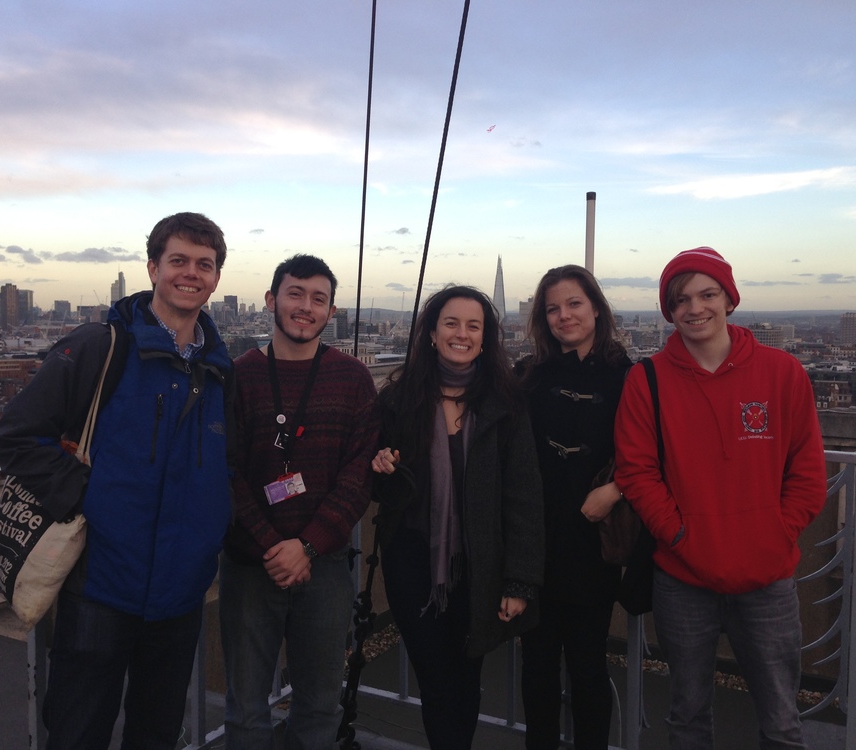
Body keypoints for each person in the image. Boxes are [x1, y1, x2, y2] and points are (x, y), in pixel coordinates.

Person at [0, 212, 234, 749]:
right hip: (100, 587)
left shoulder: (219, 369)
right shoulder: (102, 347)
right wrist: (86, 499)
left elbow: (226, 467)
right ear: (153, 267)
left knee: (156, 734)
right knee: (78, 733)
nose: (190, 274)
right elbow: (14, 436)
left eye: (204, 264)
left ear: (216, 278)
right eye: (178, 261)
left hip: (179, 594)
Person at [614, 247, 827, 749]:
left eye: (707, 294)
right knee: (687, 715)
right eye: (681, 299)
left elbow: (807, 472)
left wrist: (776, 533)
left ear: (729, 299)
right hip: (683, 577)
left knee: (781, 720)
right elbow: (637, 470)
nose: (695, 308)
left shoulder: (783, 373)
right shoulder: (647, 380)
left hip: (767, 579)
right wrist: (678, 533)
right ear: (669, 311)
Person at [372, 285, 545, 750]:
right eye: (451, 323)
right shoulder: (398, 400)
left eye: (474, 326)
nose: (462, 334)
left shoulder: (505, 404)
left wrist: (519, 581)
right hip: (413, 567)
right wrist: (381, 466)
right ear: (431, 333)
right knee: (434, 676)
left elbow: (524, 496)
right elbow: (381, 486)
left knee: (465, 676)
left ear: (487, 338)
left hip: (480, 566)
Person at [220, 254, 379, 749]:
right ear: (271, 301)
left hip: (326, 566)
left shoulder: (353, 379)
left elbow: (359, 475)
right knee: (246, 708)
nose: (305, 307)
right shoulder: (238, 376)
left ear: (331, 313)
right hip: (252, 565)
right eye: (295, 294)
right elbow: (226, 474)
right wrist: (275, 546)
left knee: (320, 703)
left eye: (318, 299)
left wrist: (306, 546)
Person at [516, 265, 631, 750]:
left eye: (574, 304)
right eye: (553, 308)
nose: (564, 316)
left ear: (597, 308)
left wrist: (616, 489)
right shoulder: (528, 375)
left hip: (590, 542)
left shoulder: (630, 376)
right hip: (534, 542)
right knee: (537, 666)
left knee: (588, 666)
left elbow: (654, 451)